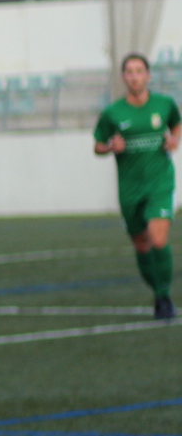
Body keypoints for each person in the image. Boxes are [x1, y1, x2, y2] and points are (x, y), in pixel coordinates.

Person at [93, 53, 180, 320]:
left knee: (158, 238)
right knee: (141, 245)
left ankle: (164, 297)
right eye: (129, 72)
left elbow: (177, 124)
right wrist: (110, 147)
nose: (134, 76)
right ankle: (157, 291)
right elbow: (97, 145)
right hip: (130, 189)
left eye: (139, 71)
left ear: (148, 75)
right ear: (123, 78)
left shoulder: (164, 104)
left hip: (160, 183)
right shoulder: (112, 113)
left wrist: (175, 139)